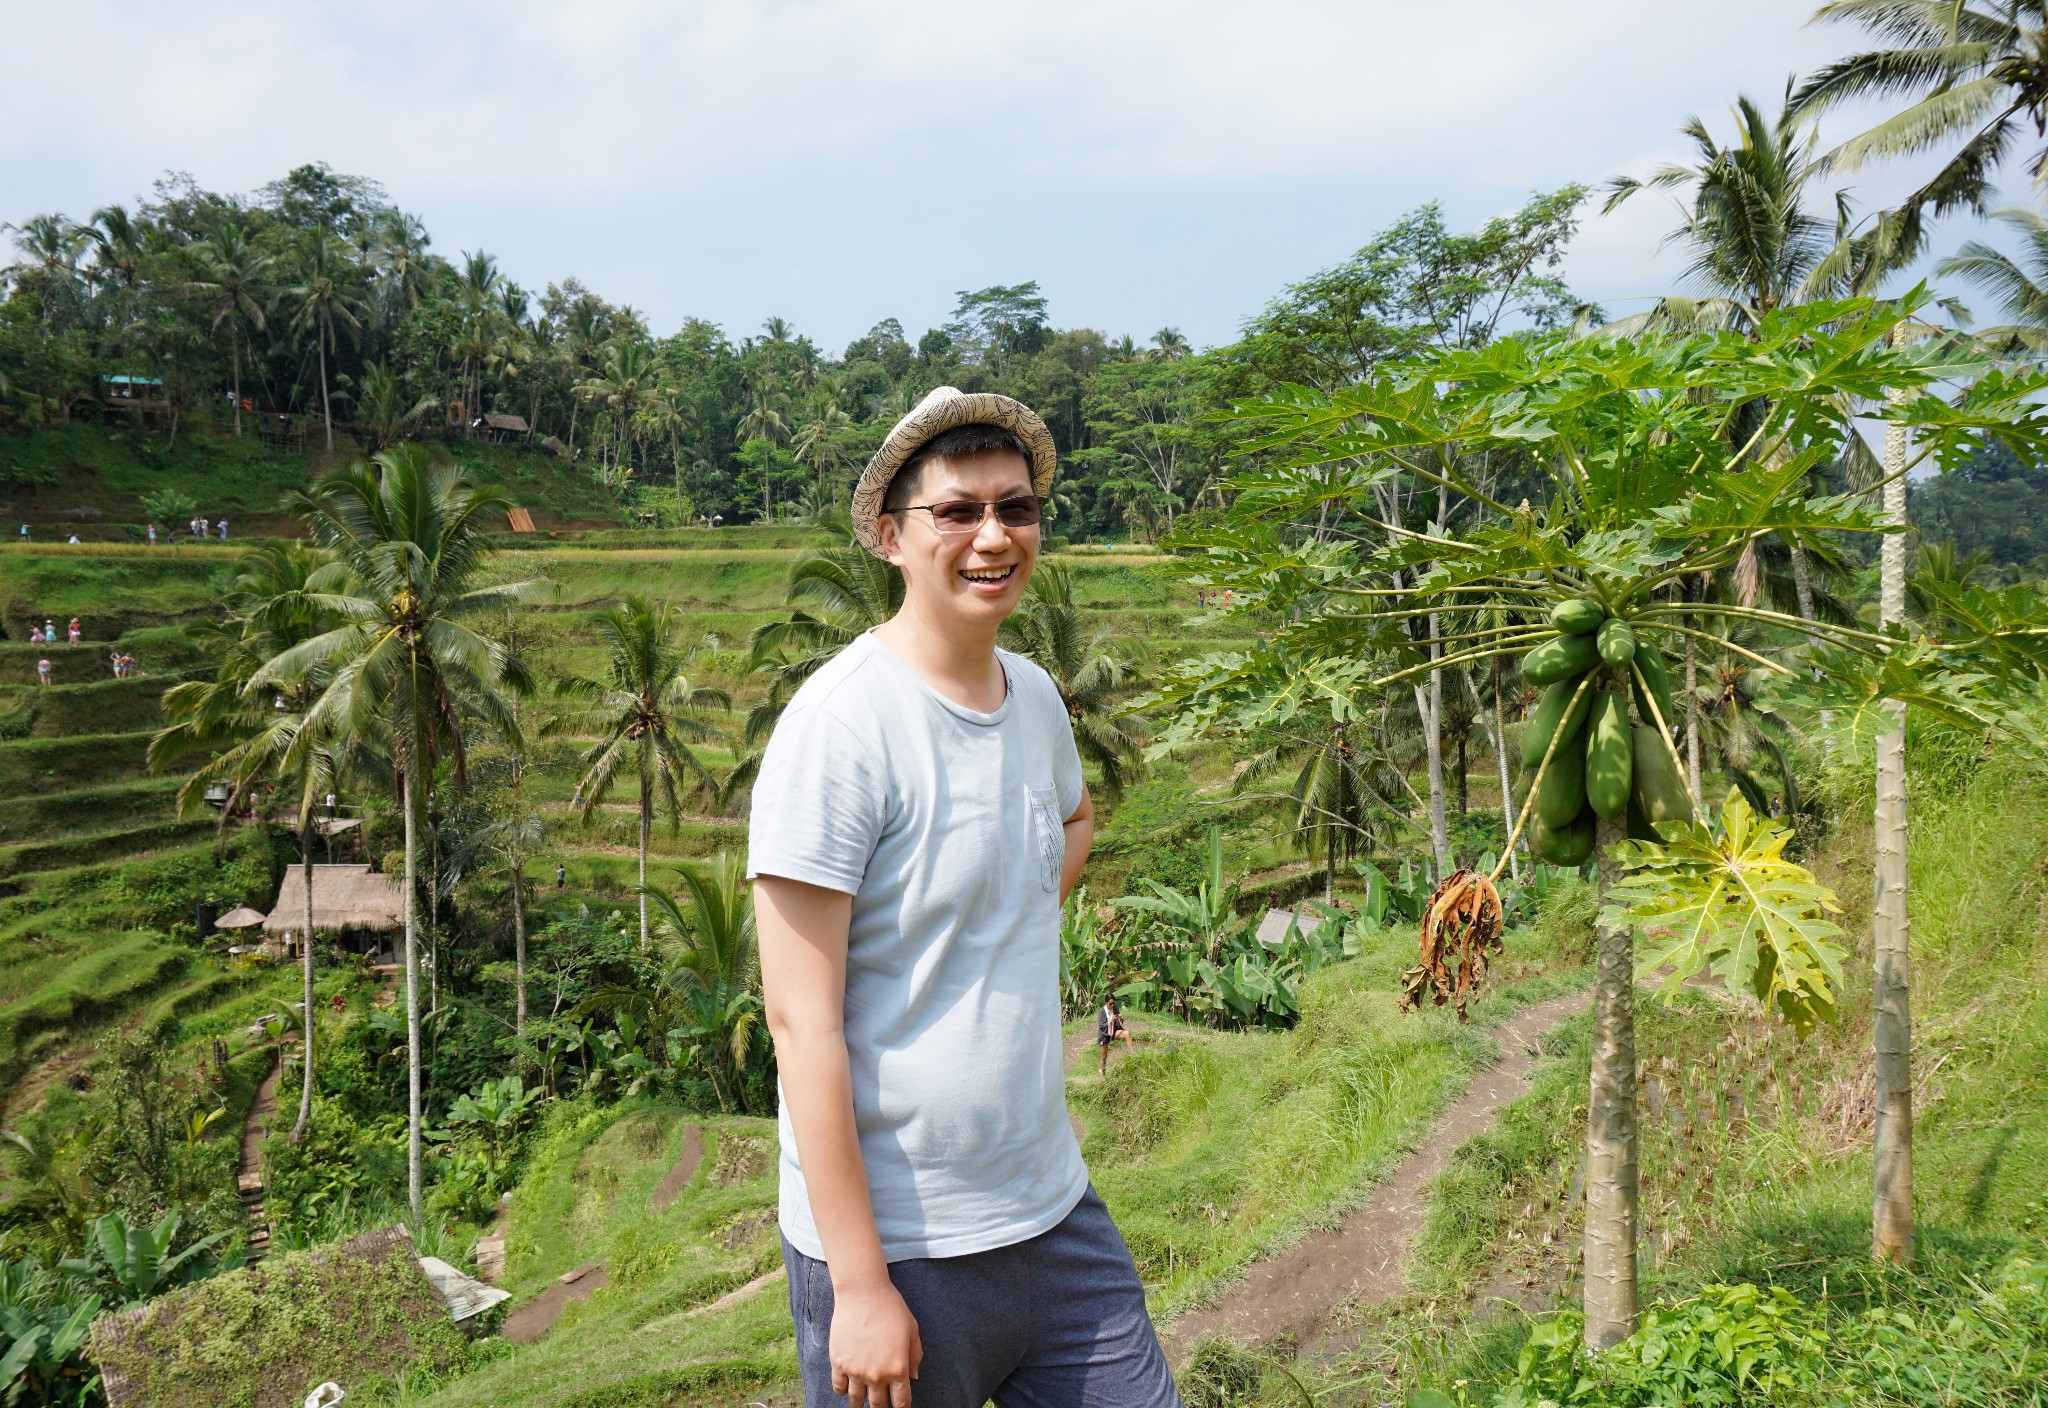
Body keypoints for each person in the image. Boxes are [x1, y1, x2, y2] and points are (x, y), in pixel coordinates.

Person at [751, 386, 1179, 1408]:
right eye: (958, 510)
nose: (993, 536)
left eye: (1015, 508)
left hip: (1048, 1210)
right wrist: (859, 1286)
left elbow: (1071, 824)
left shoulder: (1032, 695)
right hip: (898, 1245)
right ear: (891, 535)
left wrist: (1006, 921)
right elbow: (797, 1022)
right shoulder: (840, 730)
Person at [1096, 995, 1135, 1076]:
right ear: (1106, 1003)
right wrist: (1110, 1021)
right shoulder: (1102, 1011)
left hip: (1113, 1032)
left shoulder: (1115, 1008)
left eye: (1113, 1003)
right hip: (1104, 1034)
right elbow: (1101, 1026)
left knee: (1127, 1033)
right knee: (1103, 1057)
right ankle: (1102, 1075)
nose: (1112, 1005)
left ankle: (1133, 1055)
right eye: (1110, 1004)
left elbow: (1120, 1022)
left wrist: (1120, 1018)